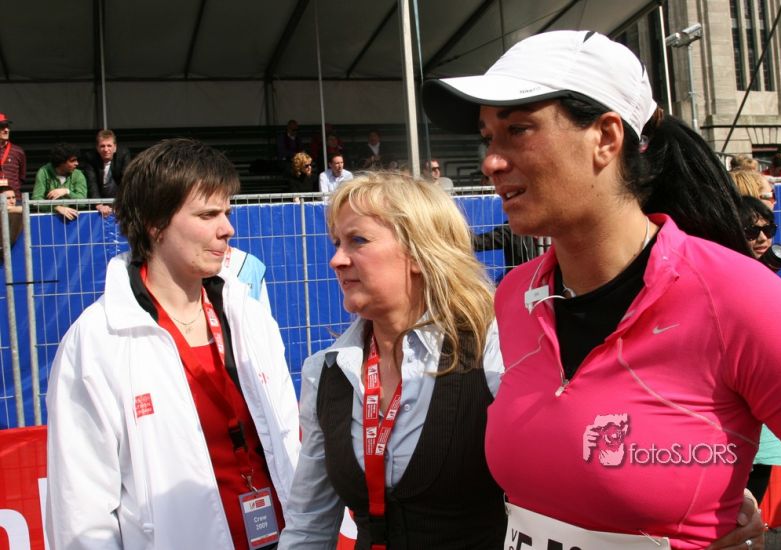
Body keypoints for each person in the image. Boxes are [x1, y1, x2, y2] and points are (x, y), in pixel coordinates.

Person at [423, 29, 781, 549]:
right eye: (488, 138)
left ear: (607, 138)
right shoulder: (516, 295)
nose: (491, 161)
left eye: (517, 130)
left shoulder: (740, 297)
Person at [46, 138, 300, 549]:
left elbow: (288, 441)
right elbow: (82, 511)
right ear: (155, 223)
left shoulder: (248, 316)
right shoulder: (97, 341)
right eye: (208, 214)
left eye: (227, 212)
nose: (227, 228)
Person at [280, 173, 507, 548]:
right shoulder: (326, 371)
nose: (336, 260)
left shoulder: (492, 350)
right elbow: (309, 524)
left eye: (358, 240)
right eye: (336, 243)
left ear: (419, 252)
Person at [737, 196, 781, 503]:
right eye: (751, 231)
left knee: (752, 510)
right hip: (729, 417)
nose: (762, 238)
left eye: (768, 230)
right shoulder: (724, 276)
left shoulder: (766, 276)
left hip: (762, 413)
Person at [83, 129, 132, 217]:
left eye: (109, 145)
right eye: (102, 146)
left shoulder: (123, 154)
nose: (106, 149)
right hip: (99, 200)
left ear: (115, 147)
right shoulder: (90, 157)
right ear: (97, 148)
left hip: (119, 200)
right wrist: (99, 205)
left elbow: (126, 180)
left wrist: (121, 203)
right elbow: (92, 182)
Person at [32, 142, 87, 221]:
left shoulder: (78, 174)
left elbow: (83, 203)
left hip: (74, 220)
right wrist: (56, 207)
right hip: (49, 219)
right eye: (72, 161)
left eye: (76, 160)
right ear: (61, 162)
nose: (77, 163)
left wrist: (67, 192)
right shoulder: (44, 172)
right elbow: (36, 200)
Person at [472, 222, 539, 282]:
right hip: (521, 281)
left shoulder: (544, 231)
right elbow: (482, 242)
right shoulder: (513, 229)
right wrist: (465, 236)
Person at [0, 112, 26, 199]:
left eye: (7, 126)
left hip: (14, 199)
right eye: (2, 127)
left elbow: (21, 177)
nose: (6, 130)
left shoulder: (18, 151)